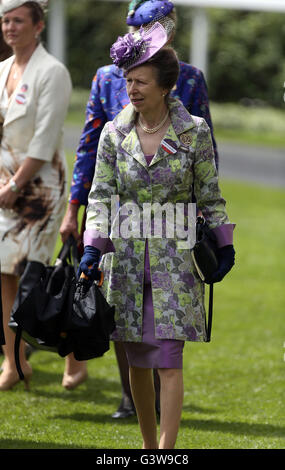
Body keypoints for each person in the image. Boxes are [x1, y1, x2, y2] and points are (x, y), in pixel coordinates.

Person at [78, 22, 235, 449]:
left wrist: (225, 243)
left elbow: (210, 193)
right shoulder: (114, 133)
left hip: (176, 260)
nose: (131, 89)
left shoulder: (194, 131)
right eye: (128, 80)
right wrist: (92, 247)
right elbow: (101, 195)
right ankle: (149, 448)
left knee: (168, 357)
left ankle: (166, 450)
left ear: (166, 86)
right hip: (125, 260)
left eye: (141, 81)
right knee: (136, 358)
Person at [0, 0, 72, 391]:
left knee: (36, 275)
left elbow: (44, 141)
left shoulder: (53, 72)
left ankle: (73, 354)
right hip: (4, 186)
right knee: (4, 272)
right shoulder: (1, 70)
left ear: (38, 25)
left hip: (40, 188)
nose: (10, 27)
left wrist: (15, 186)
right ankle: (15, 362)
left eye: (18, 20)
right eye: (5, 21)